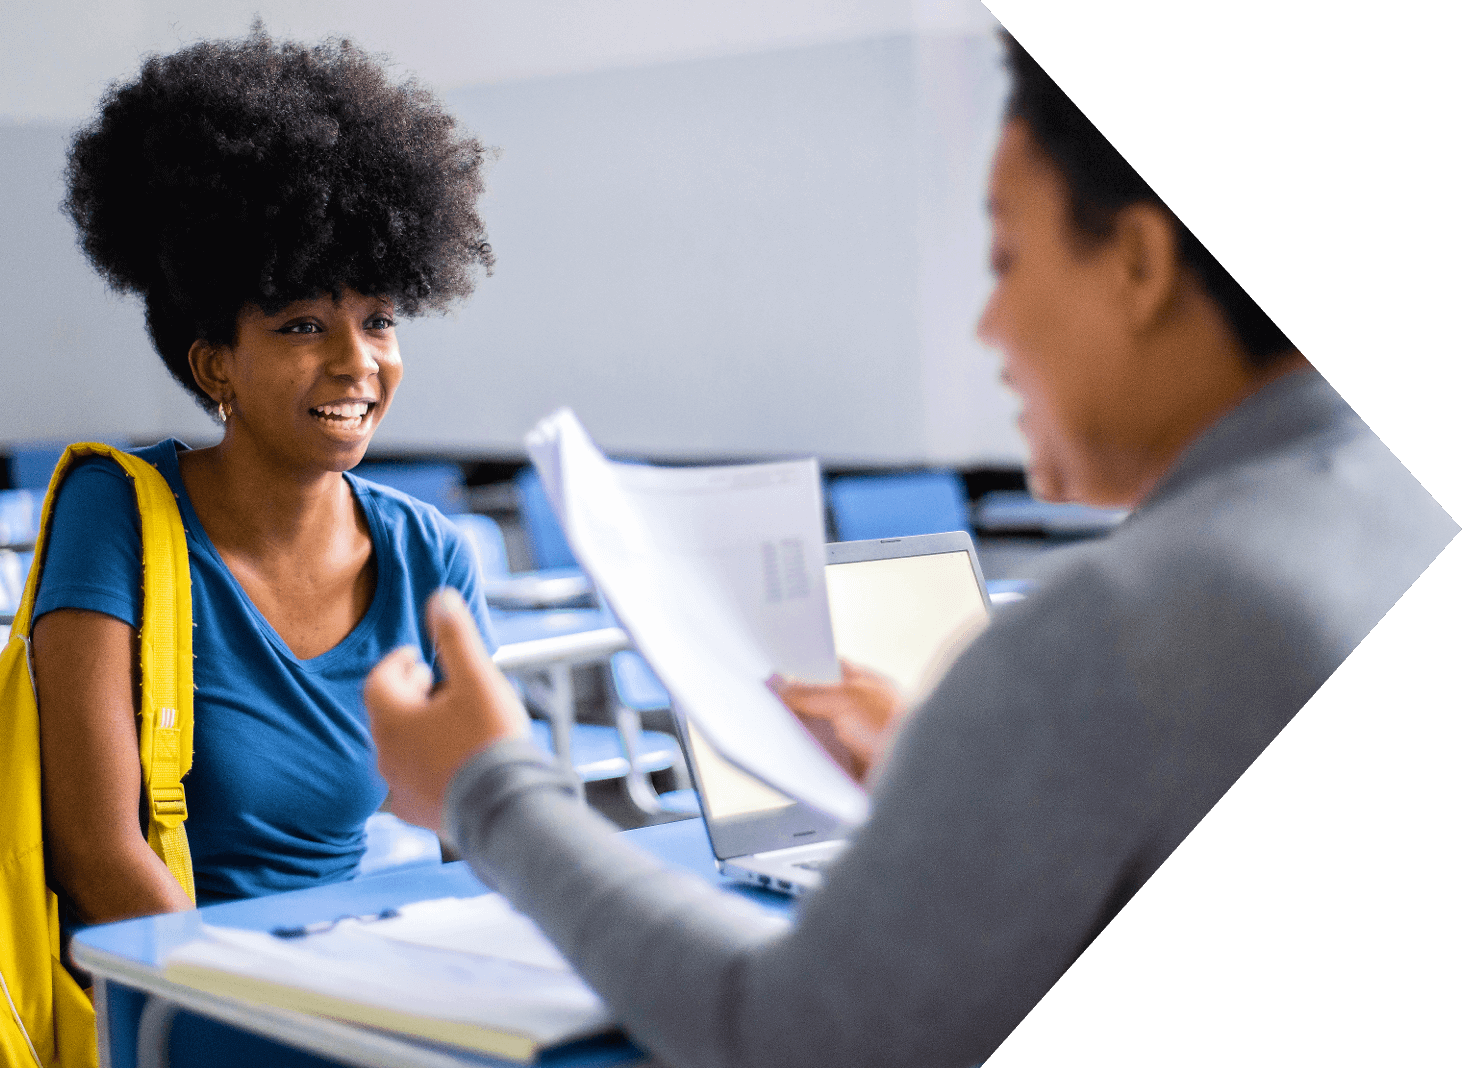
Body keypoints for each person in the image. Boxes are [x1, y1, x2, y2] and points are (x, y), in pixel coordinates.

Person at [363, 34, 1457, 1068]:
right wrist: (955, 784)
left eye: (1007, 256)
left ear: (1136, 263)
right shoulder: (1395, 514)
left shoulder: (1140, 616)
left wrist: (486, 788)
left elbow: (795, 1039)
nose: (988, 330)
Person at [33, 29, 496, 933]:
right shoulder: (117, 513)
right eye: (300, 326)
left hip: (357, 979)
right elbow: (95, 852)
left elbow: (481, 833)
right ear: (215, 368)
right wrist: (257, 997)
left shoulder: (428, 552)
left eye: (378, 319)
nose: (356, 362)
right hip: (178, 991)